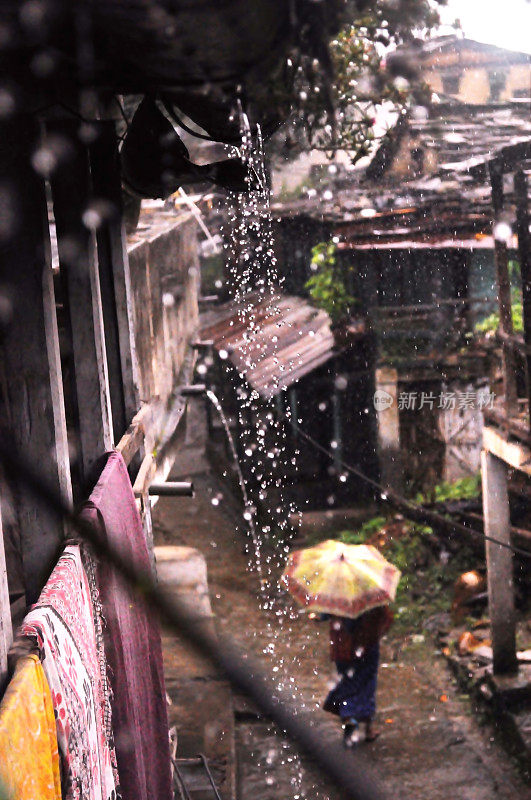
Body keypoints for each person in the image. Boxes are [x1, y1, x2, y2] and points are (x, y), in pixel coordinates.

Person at [322, 605, 393, 747]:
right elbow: (384, 618)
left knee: (348, 682)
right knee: (366, 684)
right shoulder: (370, 596)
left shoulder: (336, 596)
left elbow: (325, 615)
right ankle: (366, 728)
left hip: (343, 648)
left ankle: (350, 719)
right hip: (366, 646)